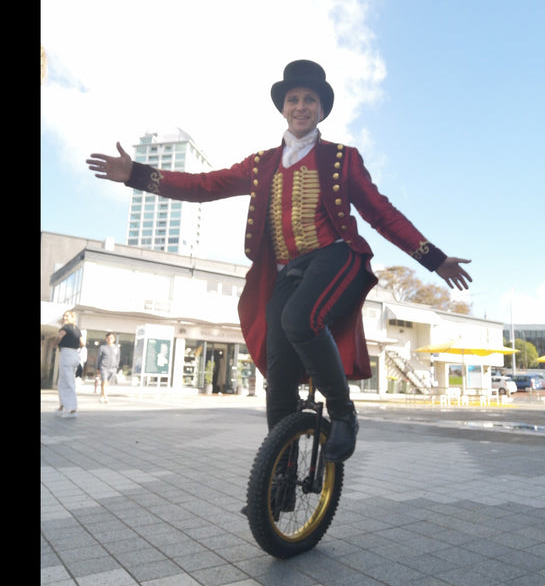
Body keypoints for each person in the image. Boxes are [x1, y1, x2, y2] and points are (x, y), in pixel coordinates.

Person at [87, 59, 472, 462]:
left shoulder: (342, 159)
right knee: (278, 373)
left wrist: (435, 259)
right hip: (288, 269)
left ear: (321, 110)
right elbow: (203, 185)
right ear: (283, 108)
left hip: (336, 256)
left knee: (299, 319)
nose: (301, 106)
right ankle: (281, 478)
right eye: (294, 99)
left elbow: (381, 213)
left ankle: (344, 414)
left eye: (310, 100)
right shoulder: (261, 164)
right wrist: (137, 174)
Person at [54, 309, 85, 418]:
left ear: (72, 318)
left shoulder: (65, 328)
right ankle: (62, 406)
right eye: (64, 316)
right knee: (63, 381)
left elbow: (59, 336)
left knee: (67, 382)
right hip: (74, 354)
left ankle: (72, 409)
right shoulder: (77, 329)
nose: (65, 318)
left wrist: (56, 343)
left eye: (67, 316)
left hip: (66, 354)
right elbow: (82, 343)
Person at [96, 332, 120, 403]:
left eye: (111, 338)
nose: (110, 339)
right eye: (108, 338)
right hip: (104, 367)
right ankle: (105, 396)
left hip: (112, 368)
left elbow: (118, 358)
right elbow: (99, 358)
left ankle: (102, 395)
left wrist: (116, 366)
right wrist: (98, 367)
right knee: (104, 381)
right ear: (106, 339)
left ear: (114, 339)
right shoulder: (102, 348)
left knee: (107, 383)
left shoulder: (116, 348)